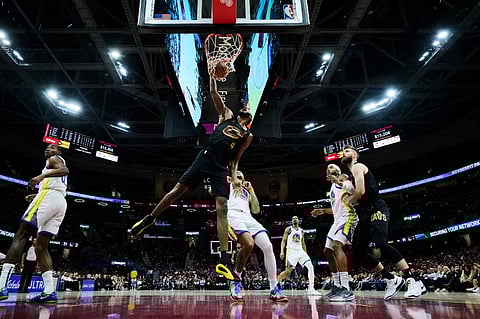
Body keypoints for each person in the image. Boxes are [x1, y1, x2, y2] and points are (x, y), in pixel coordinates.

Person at [129, 76, 253, 280]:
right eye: (244, 107)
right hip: (206, 157)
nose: (245, 109)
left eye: (248, 109)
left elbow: (235, 160)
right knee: (177, 191)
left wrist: (234, 177)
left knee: (222, 207)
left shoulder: (248, 135)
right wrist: (212, 74)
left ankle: (224, 258)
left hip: (220, 167)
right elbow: (214, 93)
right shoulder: (228, 115)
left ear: (250, 118)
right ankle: (149, 218)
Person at [340, 145, 426, 299]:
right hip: (364, 214)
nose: (343, 153)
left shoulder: (358, 166)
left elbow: (360, 192)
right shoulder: (351, 175)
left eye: (347, 151)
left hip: (376, 209)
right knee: (358, 251)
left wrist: (349, 201)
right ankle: (391, 279)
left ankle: (414, 280)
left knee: (381, 242)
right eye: (343, 152)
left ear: (355, 154)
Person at [0, 144, 69, 303]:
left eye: (52, 148)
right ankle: (49, 291)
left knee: (21, 235)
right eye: (46, 148)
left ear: (59, 152)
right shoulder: (54, 164)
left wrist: (40, 178)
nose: (48, 150)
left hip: (49, 197)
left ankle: (1, 286)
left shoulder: (54, 159)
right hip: (60, 202)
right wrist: (38, 194)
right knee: (41, 246)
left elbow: (65, 170)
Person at [227, 171, 287, 302]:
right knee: (249, 244)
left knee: (268, 246)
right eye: (236, 176)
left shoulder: (246, 192)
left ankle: (274, 287)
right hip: (234, 215)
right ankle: (236, 278)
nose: (239, 178)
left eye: (241, 177)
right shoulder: (229, 186)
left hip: (249, 218)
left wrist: (252, 190)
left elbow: (256, 210)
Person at [311, 164, 358, 302]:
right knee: (327, 251)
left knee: (337, 245)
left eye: (330, 167)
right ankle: (337, 286)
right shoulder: (332, 187)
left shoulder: (342, 177)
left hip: (348, 216)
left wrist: (338, 180)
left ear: (337, 171)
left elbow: (352, 189)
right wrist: (323, 211)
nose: (328, 169)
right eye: (326, 169)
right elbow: (336, 208)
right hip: (337, 219)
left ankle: (346, 287)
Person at [278, 216, 321, 295]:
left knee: (310, 267)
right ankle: (275, 284)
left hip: (301, 251)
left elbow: (303, 243)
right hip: (291, 252)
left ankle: (311, 289)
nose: (295, 219)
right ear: (291, 221)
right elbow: (283, 241)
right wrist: (282, 251)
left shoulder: (301, 230)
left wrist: (305, 253)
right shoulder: (288, 229)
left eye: (296, 218)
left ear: (299, 220)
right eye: (293, 218)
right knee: (288, 272)